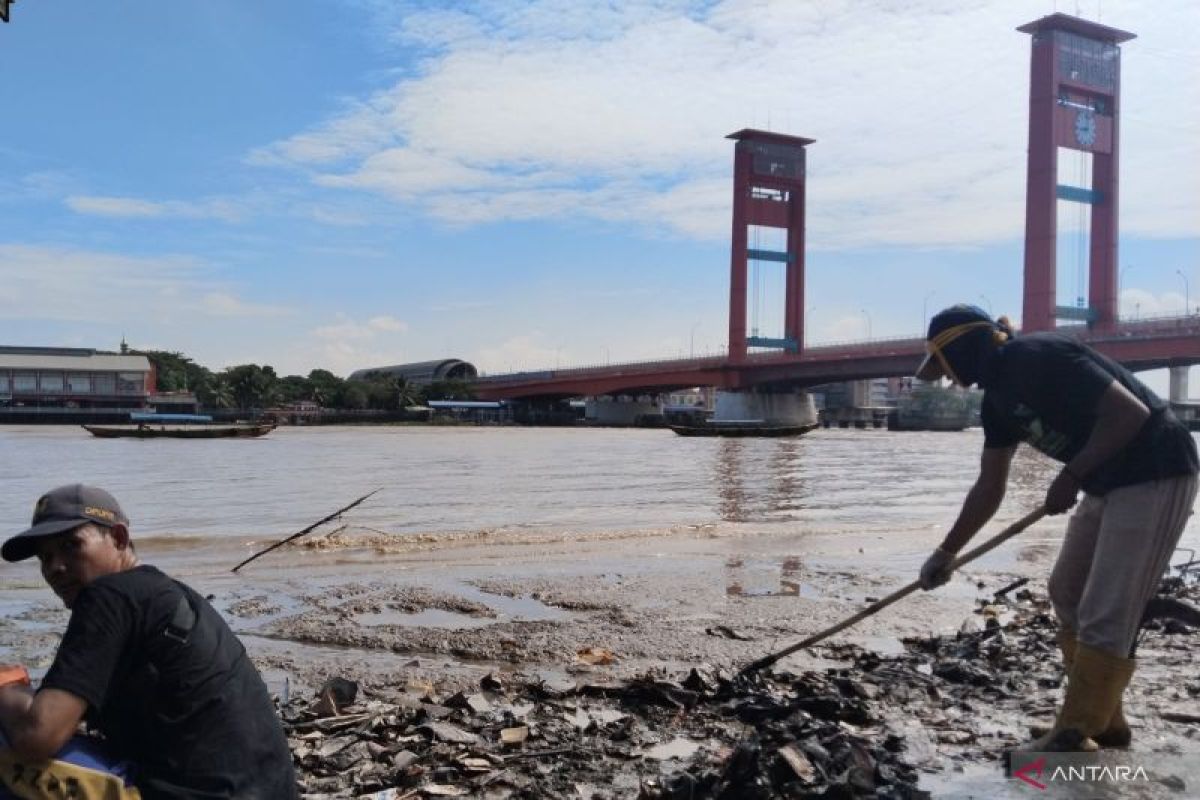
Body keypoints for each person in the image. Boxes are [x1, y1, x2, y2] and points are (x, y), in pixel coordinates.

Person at [913, 304, 1198, 753]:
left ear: (964, 350)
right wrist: (946, 553)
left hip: (1157, 469)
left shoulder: (1038, 355)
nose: (948, 379)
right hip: (1107, 481)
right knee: (1067, 589)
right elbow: (990, 486)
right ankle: (1106, 723)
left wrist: (1071, 475)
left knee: (1107, 607)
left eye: (946, 367)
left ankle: (1074, 728)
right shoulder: (997, 405)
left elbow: (1130, 414)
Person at [0, 485, 297, 798]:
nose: (55, 568)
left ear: (118, 538)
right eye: (45, 557)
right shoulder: (164, 593)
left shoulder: (108, 597)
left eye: (72, 545)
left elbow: (38, 736)